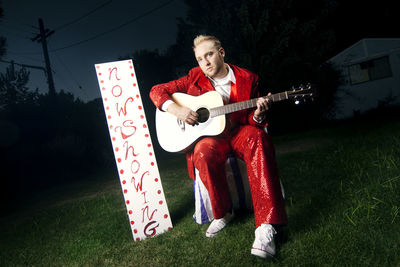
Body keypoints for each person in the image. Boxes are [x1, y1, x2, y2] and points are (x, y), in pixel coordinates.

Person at [150, 35, 287, 258]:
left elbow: (252, 121)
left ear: (221, 53)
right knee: (202, 152)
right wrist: (178, 110)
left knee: (259, 138)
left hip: (239, 132)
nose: (205, 62)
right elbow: (156, 91)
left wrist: (259, 114)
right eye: (200, 58)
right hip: (214, 138)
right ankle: (223, 213)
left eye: (209, 55)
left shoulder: (248, 78)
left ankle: (267, 225)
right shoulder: (194, 77)